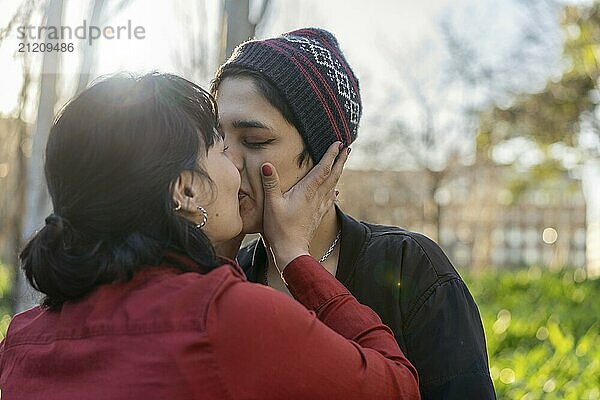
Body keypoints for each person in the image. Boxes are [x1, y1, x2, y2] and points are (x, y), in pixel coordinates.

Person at [0, 73, 421, 399]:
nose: (237, 165)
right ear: (185, 189)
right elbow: (398, 387)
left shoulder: (20, 340)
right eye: (221, 149)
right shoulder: (227, 318)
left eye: (252, 142)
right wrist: (295, 256)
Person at [211, 28, 496, 399]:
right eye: (216, 141)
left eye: (254, 141)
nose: (228, 163)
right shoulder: (228, 275)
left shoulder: (411, 267)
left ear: (326, 158)